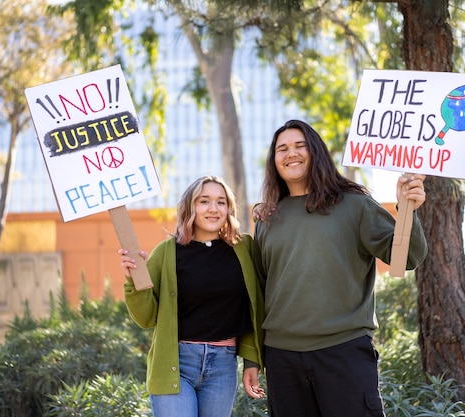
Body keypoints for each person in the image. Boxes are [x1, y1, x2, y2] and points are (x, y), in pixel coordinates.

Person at [252, 119, 428, 417]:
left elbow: (406, 258)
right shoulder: (267, 219)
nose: (290, 153)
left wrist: (406, 207)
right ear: (274, 161)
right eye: (281, 148)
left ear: (316, 152)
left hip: (344, 351)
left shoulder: (354, 205)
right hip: (282, 358)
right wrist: (253, 358)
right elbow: (258, 291)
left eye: (299, 145)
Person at [119, 175, 265, 417]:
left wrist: (251, 361)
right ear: (190, 207)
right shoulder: (167, 252)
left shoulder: (244, 249)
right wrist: (134, 281)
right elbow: (146, 318)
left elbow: (254, 307)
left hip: (222, 366)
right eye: (204, 201)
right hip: (176, 363)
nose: (213, 209)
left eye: (221, 202)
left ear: (229, 208)